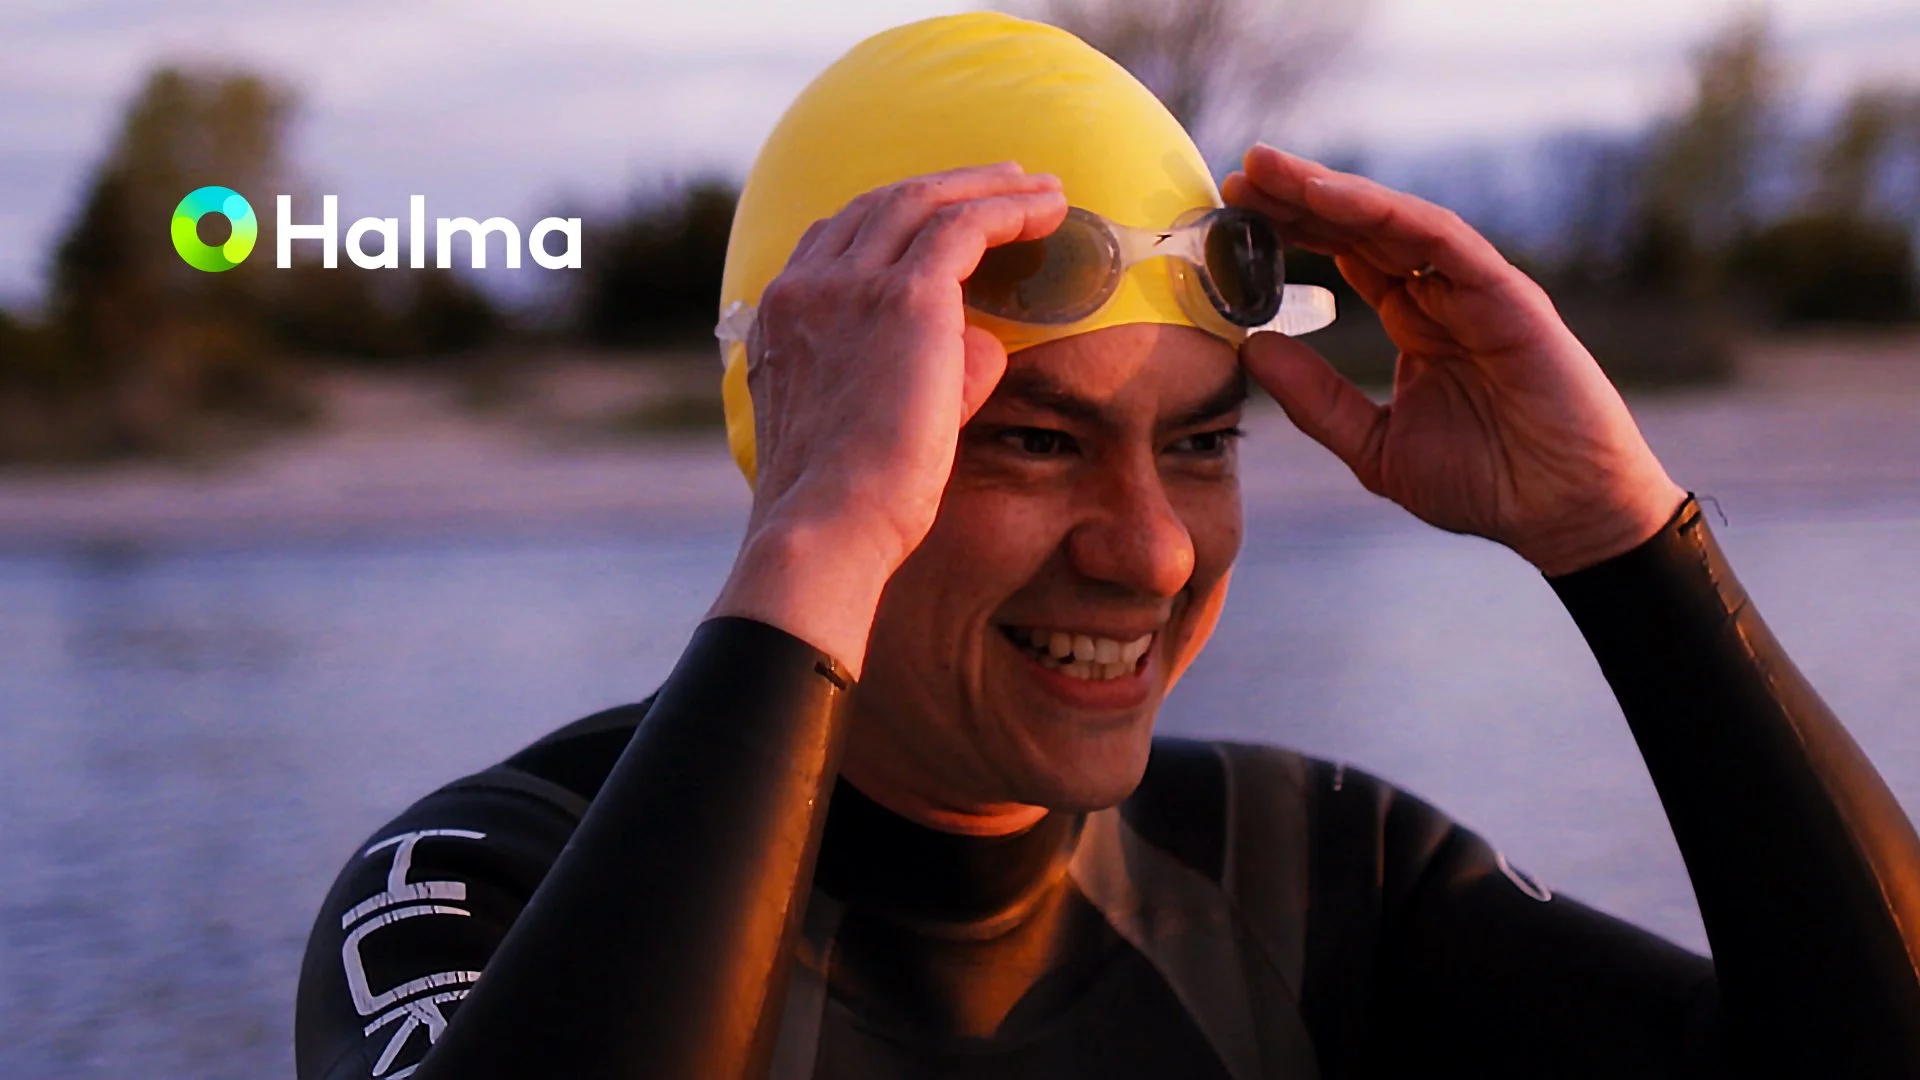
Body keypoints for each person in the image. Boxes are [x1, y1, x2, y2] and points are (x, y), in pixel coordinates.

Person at [294, 14, 1920, 1080]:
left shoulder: (1305, 878)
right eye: (1031, 439)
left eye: (1203, 443)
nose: (1150, 555)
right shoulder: (476, 890)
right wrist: (818, 540)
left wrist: (1623, 537)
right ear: (812, 444)